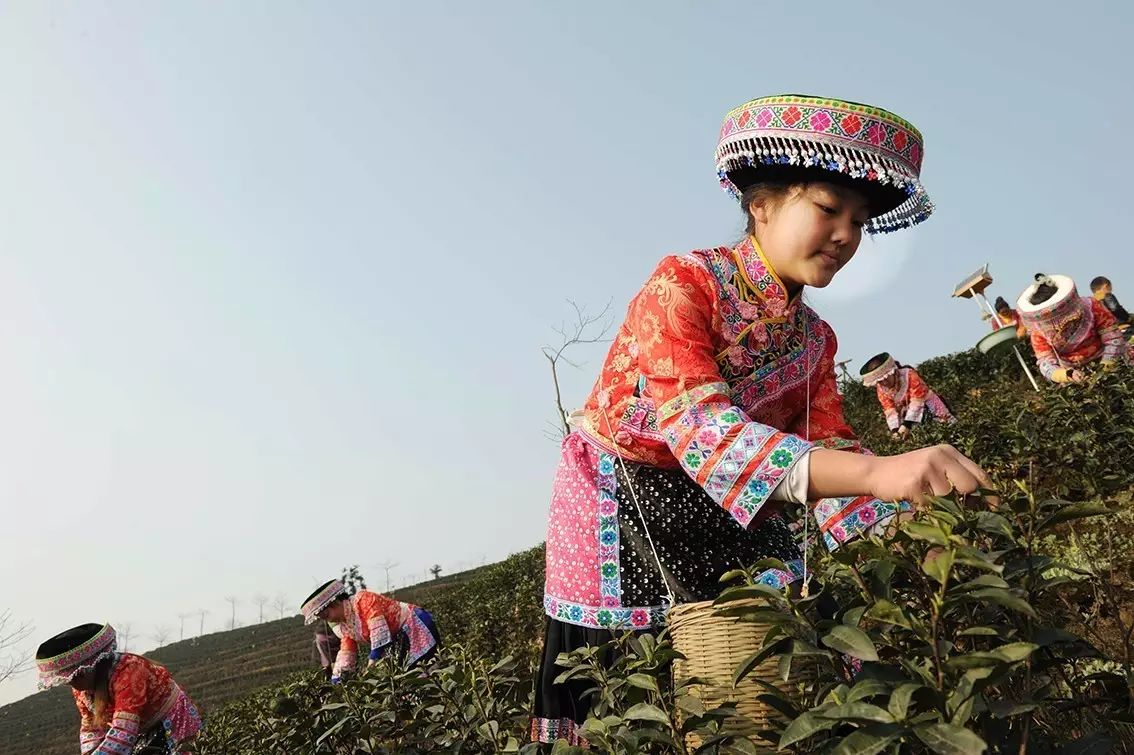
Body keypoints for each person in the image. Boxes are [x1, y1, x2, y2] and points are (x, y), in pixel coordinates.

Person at [530, 93, 990, 746]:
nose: (845, 236)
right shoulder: (684, 286)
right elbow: (704, 430)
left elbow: (831, 448)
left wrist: (914, 532)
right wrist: (879, 471)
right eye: (828, 209)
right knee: (622, 695)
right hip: (621, 498)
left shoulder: (815, 339)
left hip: (736, 502)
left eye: (859, 221)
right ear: (762, 204)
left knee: (786, 650)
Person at [35, 623, 202, 755]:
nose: (73, 684)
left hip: (172, 722)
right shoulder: (82, 691)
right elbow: (91, 728)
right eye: (67, 680)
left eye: (76, 676)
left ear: (91, 666)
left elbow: (124, 731)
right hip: (141, 733)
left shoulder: (129, 671)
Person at [299, 579, 440, 683]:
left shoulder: (363, 600)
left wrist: (372, 662)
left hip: (414, 626)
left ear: (335, 603)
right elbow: (347, 651)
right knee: (405, 679)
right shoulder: (343, 625)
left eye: (326, 615)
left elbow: (378, 630)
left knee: (425, 672)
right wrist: (337, 678)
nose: (326, 620)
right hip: (397, 638)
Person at [1017, 273, 1131, 384]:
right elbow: (1045, 363)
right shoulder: (1038, 332)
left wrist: (1105, 368)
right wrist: (1067, 375)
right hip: (1076, 377)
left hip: (1112, 362)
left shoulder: (1092, 307)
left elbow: (1114, 339)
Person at [860, 352, 955, 437]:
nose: (884, 382)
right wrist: (895, 430)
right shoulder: (881, 389)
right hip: (906, 415)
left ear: (892, 372)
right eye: (880, 381)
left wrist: (906, 425)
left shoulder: (908, 375)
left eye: (886, 378)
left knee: (945, 431)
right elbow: (889, 410)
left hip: (928, 406)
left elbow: (917, 401)